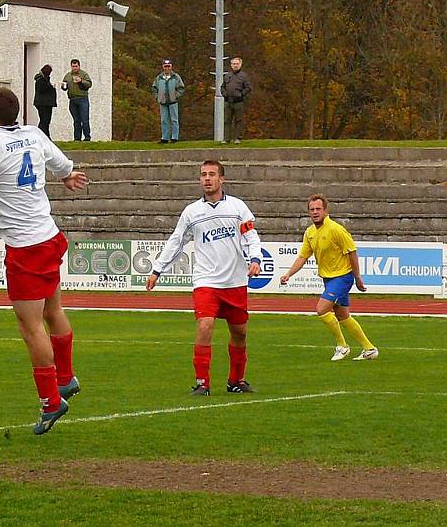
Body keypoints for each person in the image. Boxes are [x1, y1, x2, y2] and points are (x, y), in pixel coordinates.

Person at [0, 87, 88, 435]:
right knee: (53, 311)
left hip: (25, 248)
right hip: (49, 237)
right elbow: (61, 163)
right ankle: (65, 379)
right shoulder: (33, 134)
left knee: (31, 327)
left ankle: (51, 401)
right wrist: (67, 175)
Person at [146, 160, 262, 396]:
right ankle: (202, 383)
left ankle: (235, 381)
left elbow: (251, 236)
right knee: (205, 325)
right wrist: (157, 269)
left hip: (235, 281)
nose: (206, 178)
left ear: (222, 179)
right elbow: (176, 241)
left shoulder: (238, 208)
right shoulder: (192, 212)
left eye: (211, 174)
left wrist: (255, 259)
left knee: (239, 333)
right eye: (203, 175)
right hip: (206, 281)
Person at [280, 194, 377, 361]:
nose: (315, 212)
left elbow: (352, 252)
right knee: (343, 316)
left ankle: (342, 346)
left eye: (318, 209)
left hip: (342, 277)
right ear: (308, 212)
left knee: (321, 309)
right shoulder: (310, 232)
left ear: (325, 210)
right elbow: (303, 257)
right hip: (329, 279)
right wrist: (288, 274)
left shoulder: (336, 229)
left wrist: (357, 277)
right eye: (312, 209)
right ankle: (369, 349)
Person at [151, 59, 185, 143]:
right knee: (164, 120)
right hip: (162, 102)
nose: (167, 68)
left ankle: (174, 137)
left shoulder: (176, 77)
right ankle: (165, 138)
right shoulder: (159, 78)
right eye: (165, 66)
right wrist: (157, 97)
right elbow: (154, 88)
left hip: (173, 102)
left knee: (174, 120)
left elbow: (181, 88)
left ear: (171, 67)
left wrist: (176, 96)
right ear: (163, 67)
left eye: (168, 66)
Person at [220, 57, 251, 144]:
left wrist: (241, 95)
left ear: (240, 65)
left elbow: (248, 88)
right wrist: (224, 93)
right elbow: (222, 87)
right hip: (228, 101)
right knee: (227, 121)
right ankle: (226, 139)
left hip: (238, 102)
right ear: (231, 65)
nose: (235, 65)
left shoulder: (244, 76)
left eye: (237, 64)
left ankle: (237, 138)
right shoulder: (227, 75)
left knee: (238, 121)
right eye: (234, 64)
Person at [61, 59, 92, 141]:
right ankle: (77, 138)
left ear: (79, 66)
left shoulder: (83, 74)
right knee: (76, 120)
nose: (74, 68)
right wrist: (63, 86)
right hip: (72, 100)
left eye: (76, 66)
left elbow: (89, 84)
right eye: (73, 66)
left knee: (84, 119)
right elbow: (64, 86)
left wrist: (81, 81)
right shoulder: (68, 75)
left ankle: (87, 137)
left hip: (82, 99)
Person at [34, 64, 57, 139]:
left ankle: (45, 137)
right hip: (44, 103)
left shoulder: (40, 78)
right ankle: (42, 136)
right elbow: (42, 89)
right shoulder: (42, 79)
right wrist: (51, 87)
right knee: (45, 121)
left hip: (42, 103)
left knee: (44, 120)